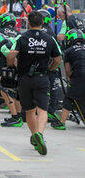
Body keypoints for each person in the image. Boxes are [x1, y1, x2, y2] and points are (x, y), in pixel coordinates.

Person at [7, 11, 61, 155]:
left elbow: (11, 54)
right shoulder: (49, 39)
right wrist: (50, 69)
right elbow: (57, 59)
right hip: (42, 77)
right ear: (42, 23)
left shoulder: (22, 37)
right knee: (42, 109)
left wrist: (13, 64)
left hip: (24, 78)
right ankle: (40, 134)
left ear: (28, 23)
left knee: (30, 110)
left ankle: (34, 135)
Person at [51, 29, 85, 130]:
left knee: (69, 98)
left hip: (79, 74)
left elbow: (67, 69)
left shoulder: (69, 51)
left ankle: (61, 123)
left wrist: (69, 78)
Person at [38, 9, 61, 122]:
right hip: (49, 67)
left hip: (35, 68)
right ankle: (50, 112)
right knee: (52, 89)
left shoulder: (33, 31)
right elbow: (58, 53)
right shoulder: (51, 33)